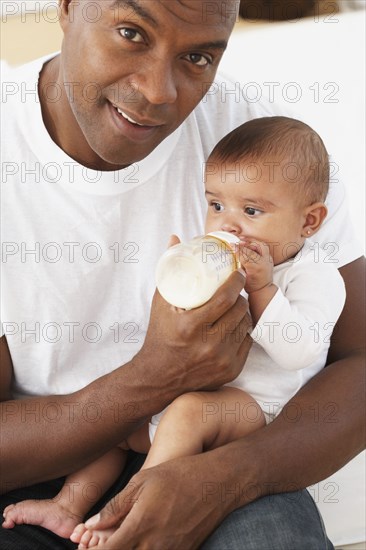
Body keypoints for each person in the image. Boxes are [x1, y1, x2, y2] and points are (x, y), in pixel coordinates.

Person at [0, 1, 364, 549]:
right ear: (69, 7)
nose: (158, 92)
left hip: (221, 458)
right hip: (45, 460)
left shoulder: (262, 148)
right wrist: (157, 374)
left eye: (197, 56)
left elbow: (358, 359)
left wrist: (223, 481)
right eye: (131, 32)